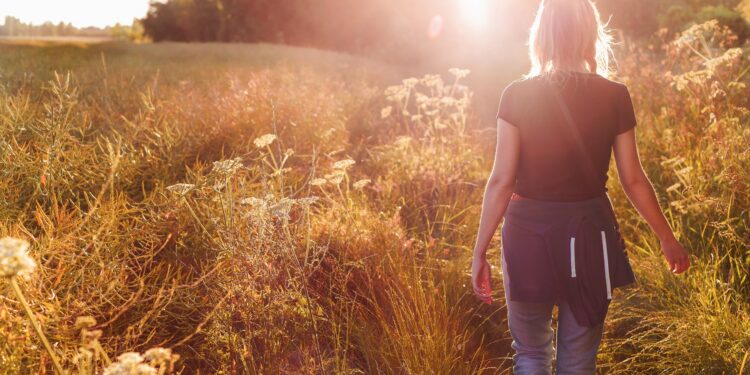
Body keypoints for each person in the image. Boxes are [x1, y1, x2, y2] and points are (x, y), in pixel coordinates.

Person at [470, 0, 691, 373]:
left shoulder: (516, 95)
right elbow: (632, 178)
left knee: (530, 352)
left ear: (541, 35)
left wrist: (479, 251)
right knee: (577, 360)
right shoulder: (615, 95)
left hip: (527, 235)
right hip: (591, 236)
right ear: (591, 33)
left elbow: (502, 180)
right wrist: (666, 237)